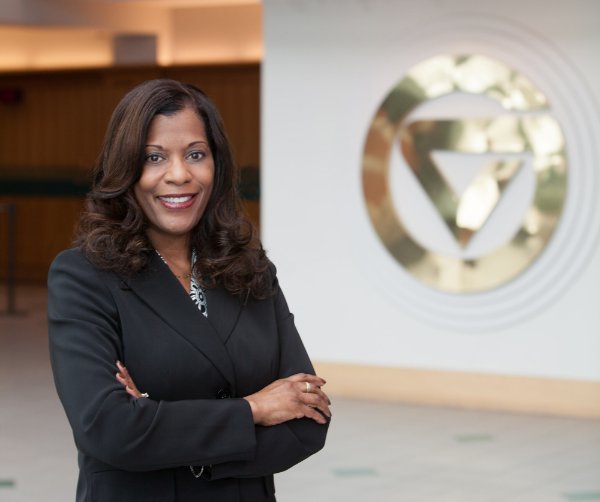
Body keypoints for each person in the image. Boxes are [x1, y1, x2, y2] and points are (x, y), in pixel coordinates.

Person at [47, 79, 331, 502]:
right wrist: (254, 410)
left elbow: (309, 421)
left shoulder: (250, 269)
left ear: (217, 165)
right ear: (125, 169)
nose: (178, 175)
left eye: (195, 154)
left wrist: (156, 419)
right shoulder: (84, 276)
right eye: (153, 157)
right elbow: (108, 429)